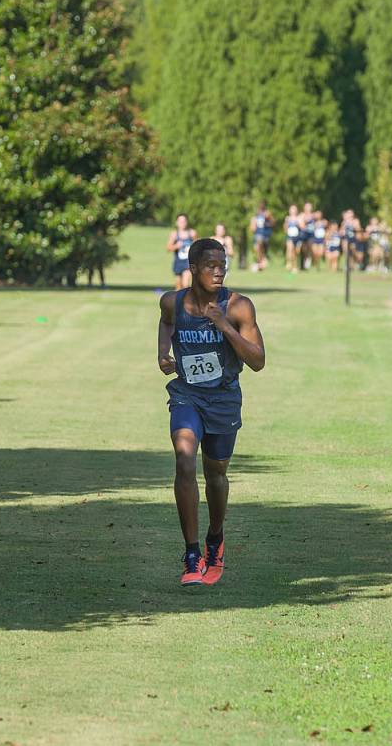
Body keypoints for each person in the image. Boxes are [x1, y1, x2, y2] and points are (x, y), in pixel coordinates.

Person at [157, 238, 267, 586]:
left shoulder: (238, 307)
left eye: (223, 264)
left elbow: (258, 361)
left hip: (223, 399)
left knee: (216, 474)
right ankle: (191, 555)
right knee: (184, 458)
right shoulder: (172, 302)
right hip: (187, 395)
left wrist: (224, 326)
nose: (219, 271)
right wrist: (163, 353)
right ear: (192, 269)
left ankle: (214, 539)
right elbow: (166, 322)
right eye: (210, 265)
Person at [167, 214, 197, 291]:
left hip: (188, 262)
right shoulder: (174, 234)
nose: (182, 223)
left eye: (184, 221)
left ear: (187, 222)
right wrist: (176, 246)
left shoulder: (192, 233)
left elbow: (198, 246)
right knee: (178, 286)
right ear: (176, 222)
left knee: (186, 284)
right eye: (180, 221)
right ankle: (179, 301)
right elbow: (168, 248)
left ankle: (187, 301)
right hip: (178, 262)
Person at [249, 202, 273, 272]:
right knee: (256, 247)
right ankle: (260, 262)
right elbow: (252, 228)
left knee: (259, 244)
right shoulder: (255, 217)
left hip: (265, 236)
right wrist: (253, 223)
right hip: (257, 236)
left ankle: (261, 262)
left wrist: (269, 218)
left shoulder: (268, 214)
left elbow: (273, 223)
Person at [284, 205, 301, 272]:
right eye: (291, 210)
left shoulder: (298, 218)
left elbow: (302, 227)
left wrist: (297, 223)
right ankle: (289, 263)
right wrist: (287, 223)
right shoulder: (287, 218)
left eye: (294, 210)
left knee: (295, 252)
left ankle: (295, 266)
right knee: (289, 249)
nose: (293, 211)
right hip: (290, 236)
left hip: (297, 237)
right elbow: (285, 228)